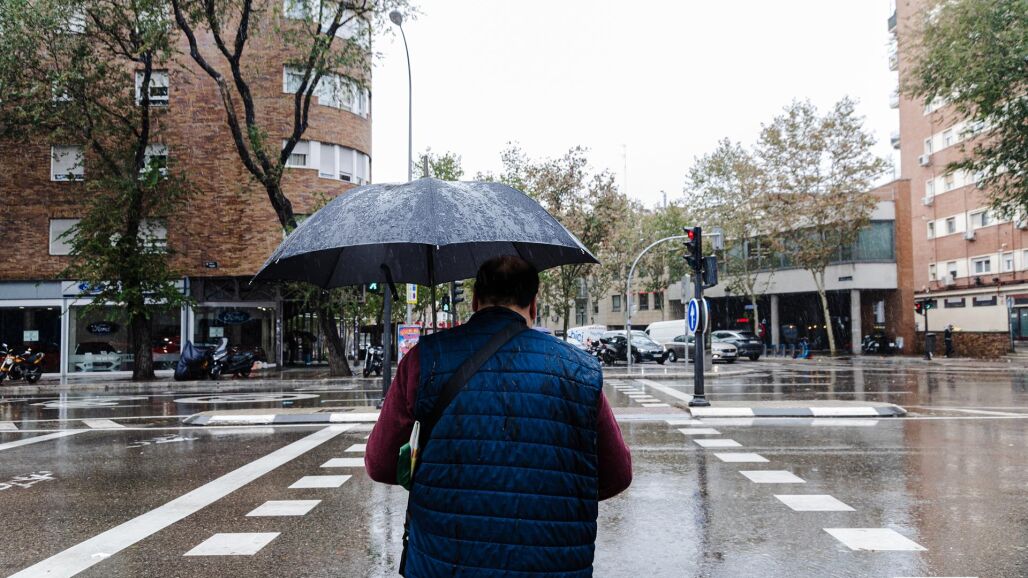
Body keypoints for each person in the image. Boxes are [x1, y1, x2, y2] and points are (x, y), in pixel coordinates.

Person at [366, 255, 632, 577]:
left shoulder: (424, 360)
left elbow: (380, 464)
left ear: (475, 300)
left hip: (443, 564)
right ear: (534, 305)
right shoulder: (579, 370)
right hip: (550, 566)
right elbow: (617, 475)